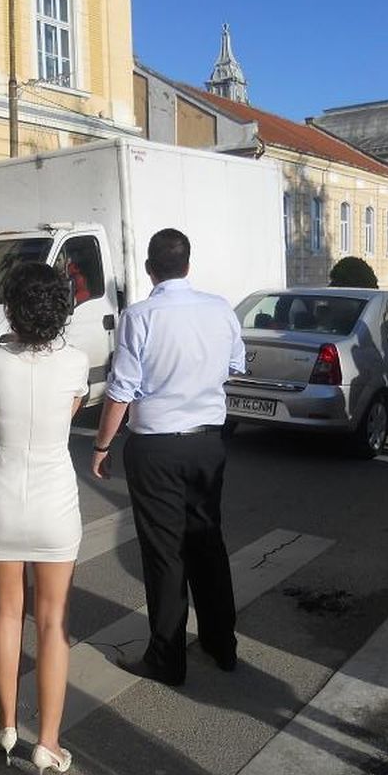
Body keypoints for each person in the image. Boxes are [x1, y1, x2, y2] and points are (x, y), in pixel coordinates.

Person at [90, 228, 245, 686]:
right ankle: (221, 644)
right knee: (207, 542)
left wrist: (101, 445)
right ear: (188, 265)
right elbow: (235, 366)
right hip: (206, 443)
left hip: (156, 446)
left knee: (165, 553)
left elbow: (122, 389)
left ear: (149, 269)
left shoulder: (140, 316)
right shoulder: (220, 309)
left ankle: (167, 658)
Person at [0, 263, 89, 775]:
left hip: (2, 499)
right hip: (54, 503)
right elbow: (66, 409)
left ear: (11, 309)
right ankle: (49, 743)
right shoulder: (77, 362)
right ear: (61, 310)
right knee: (52, 622)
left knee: (6, 613)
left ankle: (5, 726)